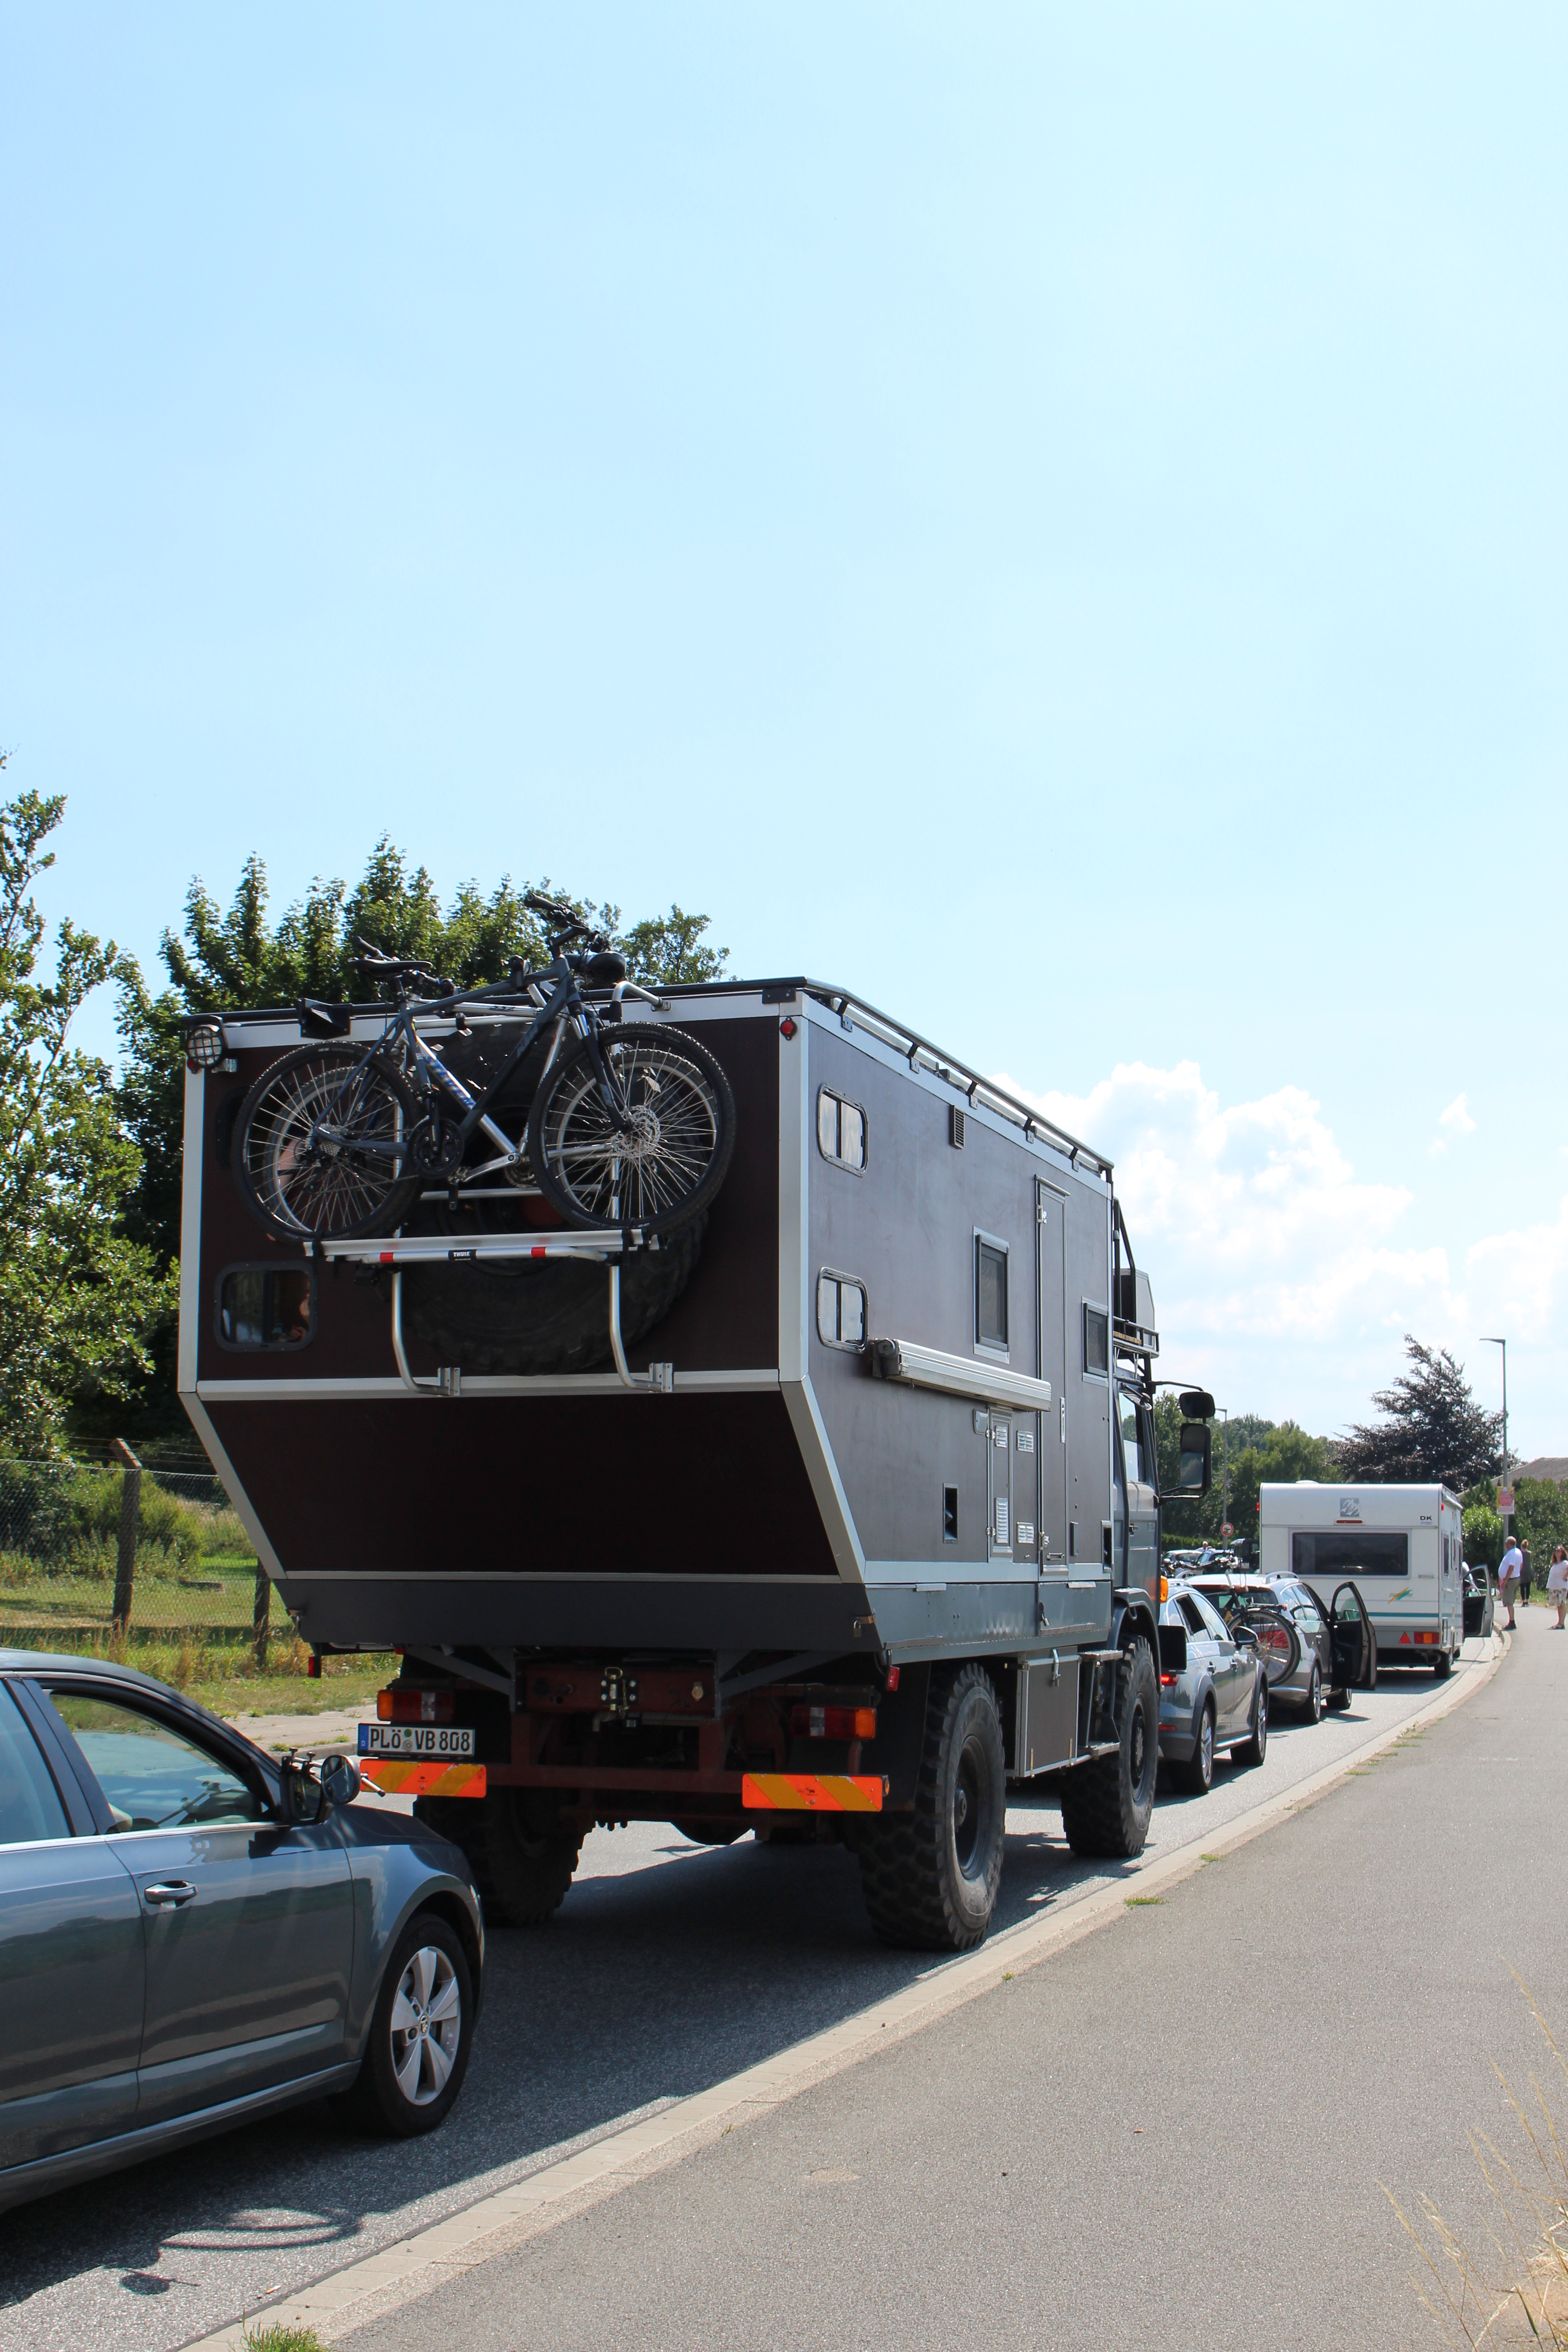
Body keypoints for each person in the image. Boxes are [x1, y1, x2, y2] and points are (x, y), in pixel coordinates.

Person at [1498, 1535, 1524, 1630]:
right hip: (1516, 1578)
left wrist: (1505, 1581)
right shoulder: (1519, 1552)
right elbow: (1521, 1565)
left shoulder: (1512, 1553)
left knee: (1509, 1602)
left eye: (1506, 1543)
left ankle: (1512, 1622)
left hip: (1511, 1580)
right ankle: (1511, 1621)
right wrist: (1518, 1573)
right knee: (1510, 1601)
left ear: (1508, 1544)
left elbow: (1511, 1567)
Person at [1548, 1545, 1568, 1631]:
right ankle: (1559, 1622)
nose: (1557, 1552)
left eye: (1559, 1551)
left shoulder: (1565, 1563)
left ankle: (1562, 1623)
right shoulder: (1556, 1564)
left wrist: (1566, 1577)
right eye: (1556, 1551)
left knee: (1562, 1603)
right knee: (1558, 1605)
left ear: (1563, 1553)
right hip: (1555, 1586)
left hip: (1562, 1586)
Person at [1520, 1540, 1534, 1607]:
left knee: (1522, 1586)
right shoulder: (1529, 1553)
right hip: (1529, 1570)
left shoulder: (1521, 1554)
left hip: (1522, 1570)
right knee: (1528, 1586)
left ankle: (1523, 1601)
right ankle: (1527, 1600)